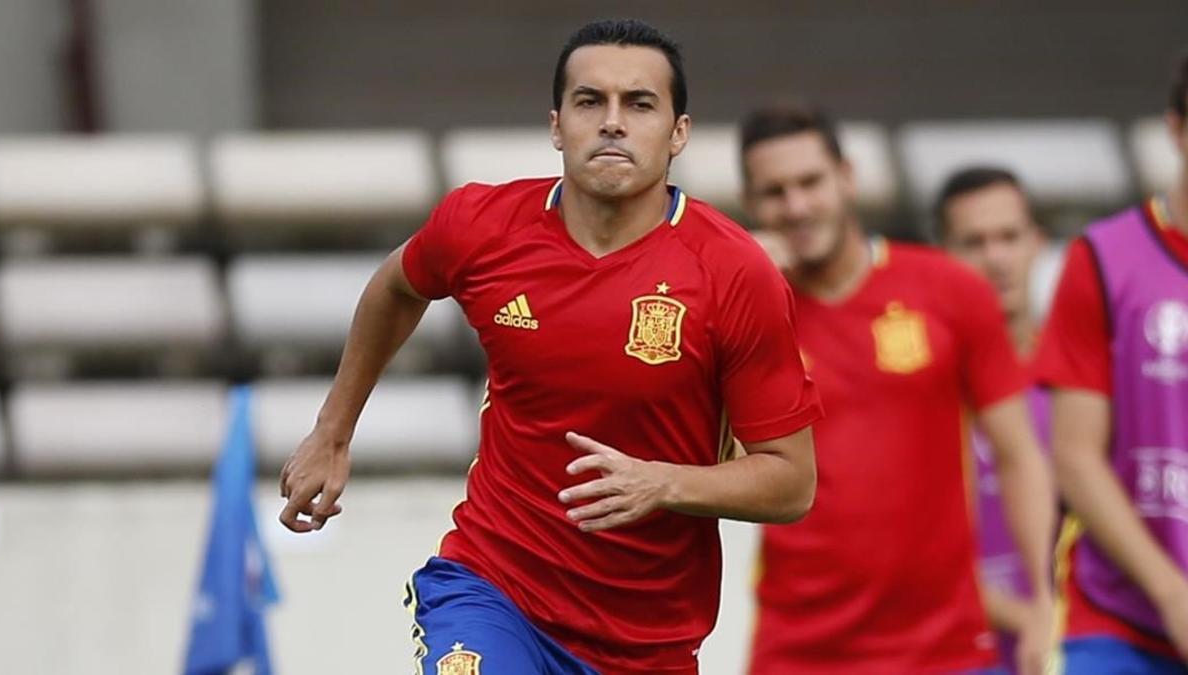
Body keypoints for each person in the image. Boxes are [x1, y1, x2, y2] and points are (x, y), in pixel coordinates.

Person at [278, 19, 822, 675]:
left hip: (646, 639)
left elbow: (791, 481)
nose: (613, 122)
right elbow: (397, 287)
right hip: (492, 588)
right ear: (557, 124)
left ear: (679, 131)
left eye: (640, 103)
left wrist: (664, 482)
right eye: (590, 101)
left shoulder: (735, 274)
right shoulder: (480, 226)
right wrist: (332, 430)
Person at [740, 104, 1054, 675]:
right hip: (800, 653)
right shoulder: (746, 312)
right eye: (774, 192)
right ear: (752, 204)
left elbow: (1019, 455)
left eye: (810, 182)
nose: (797, 206)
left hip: (947, 650)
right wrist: (741, 286)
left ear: (848, 177)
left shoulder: (950, 288)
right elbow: (700, 454)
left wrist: (1039, 600)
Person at [1036, 52, 1188, 673]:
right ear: (1176, 127)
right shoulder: (1105, 256)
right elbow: (1074, 456)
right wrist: (1172, 591)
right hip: (1119, 623)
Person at [936, 167, 1056, 673]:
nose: (997, 258)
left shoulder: (1087, 378)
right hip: (960, 652)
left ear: (1037, 243)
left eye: (1009, 237)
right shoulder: (923, 387)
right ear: (943, 257)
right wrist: (1027, 615)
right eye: (974, 242)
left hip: (1088, 645)